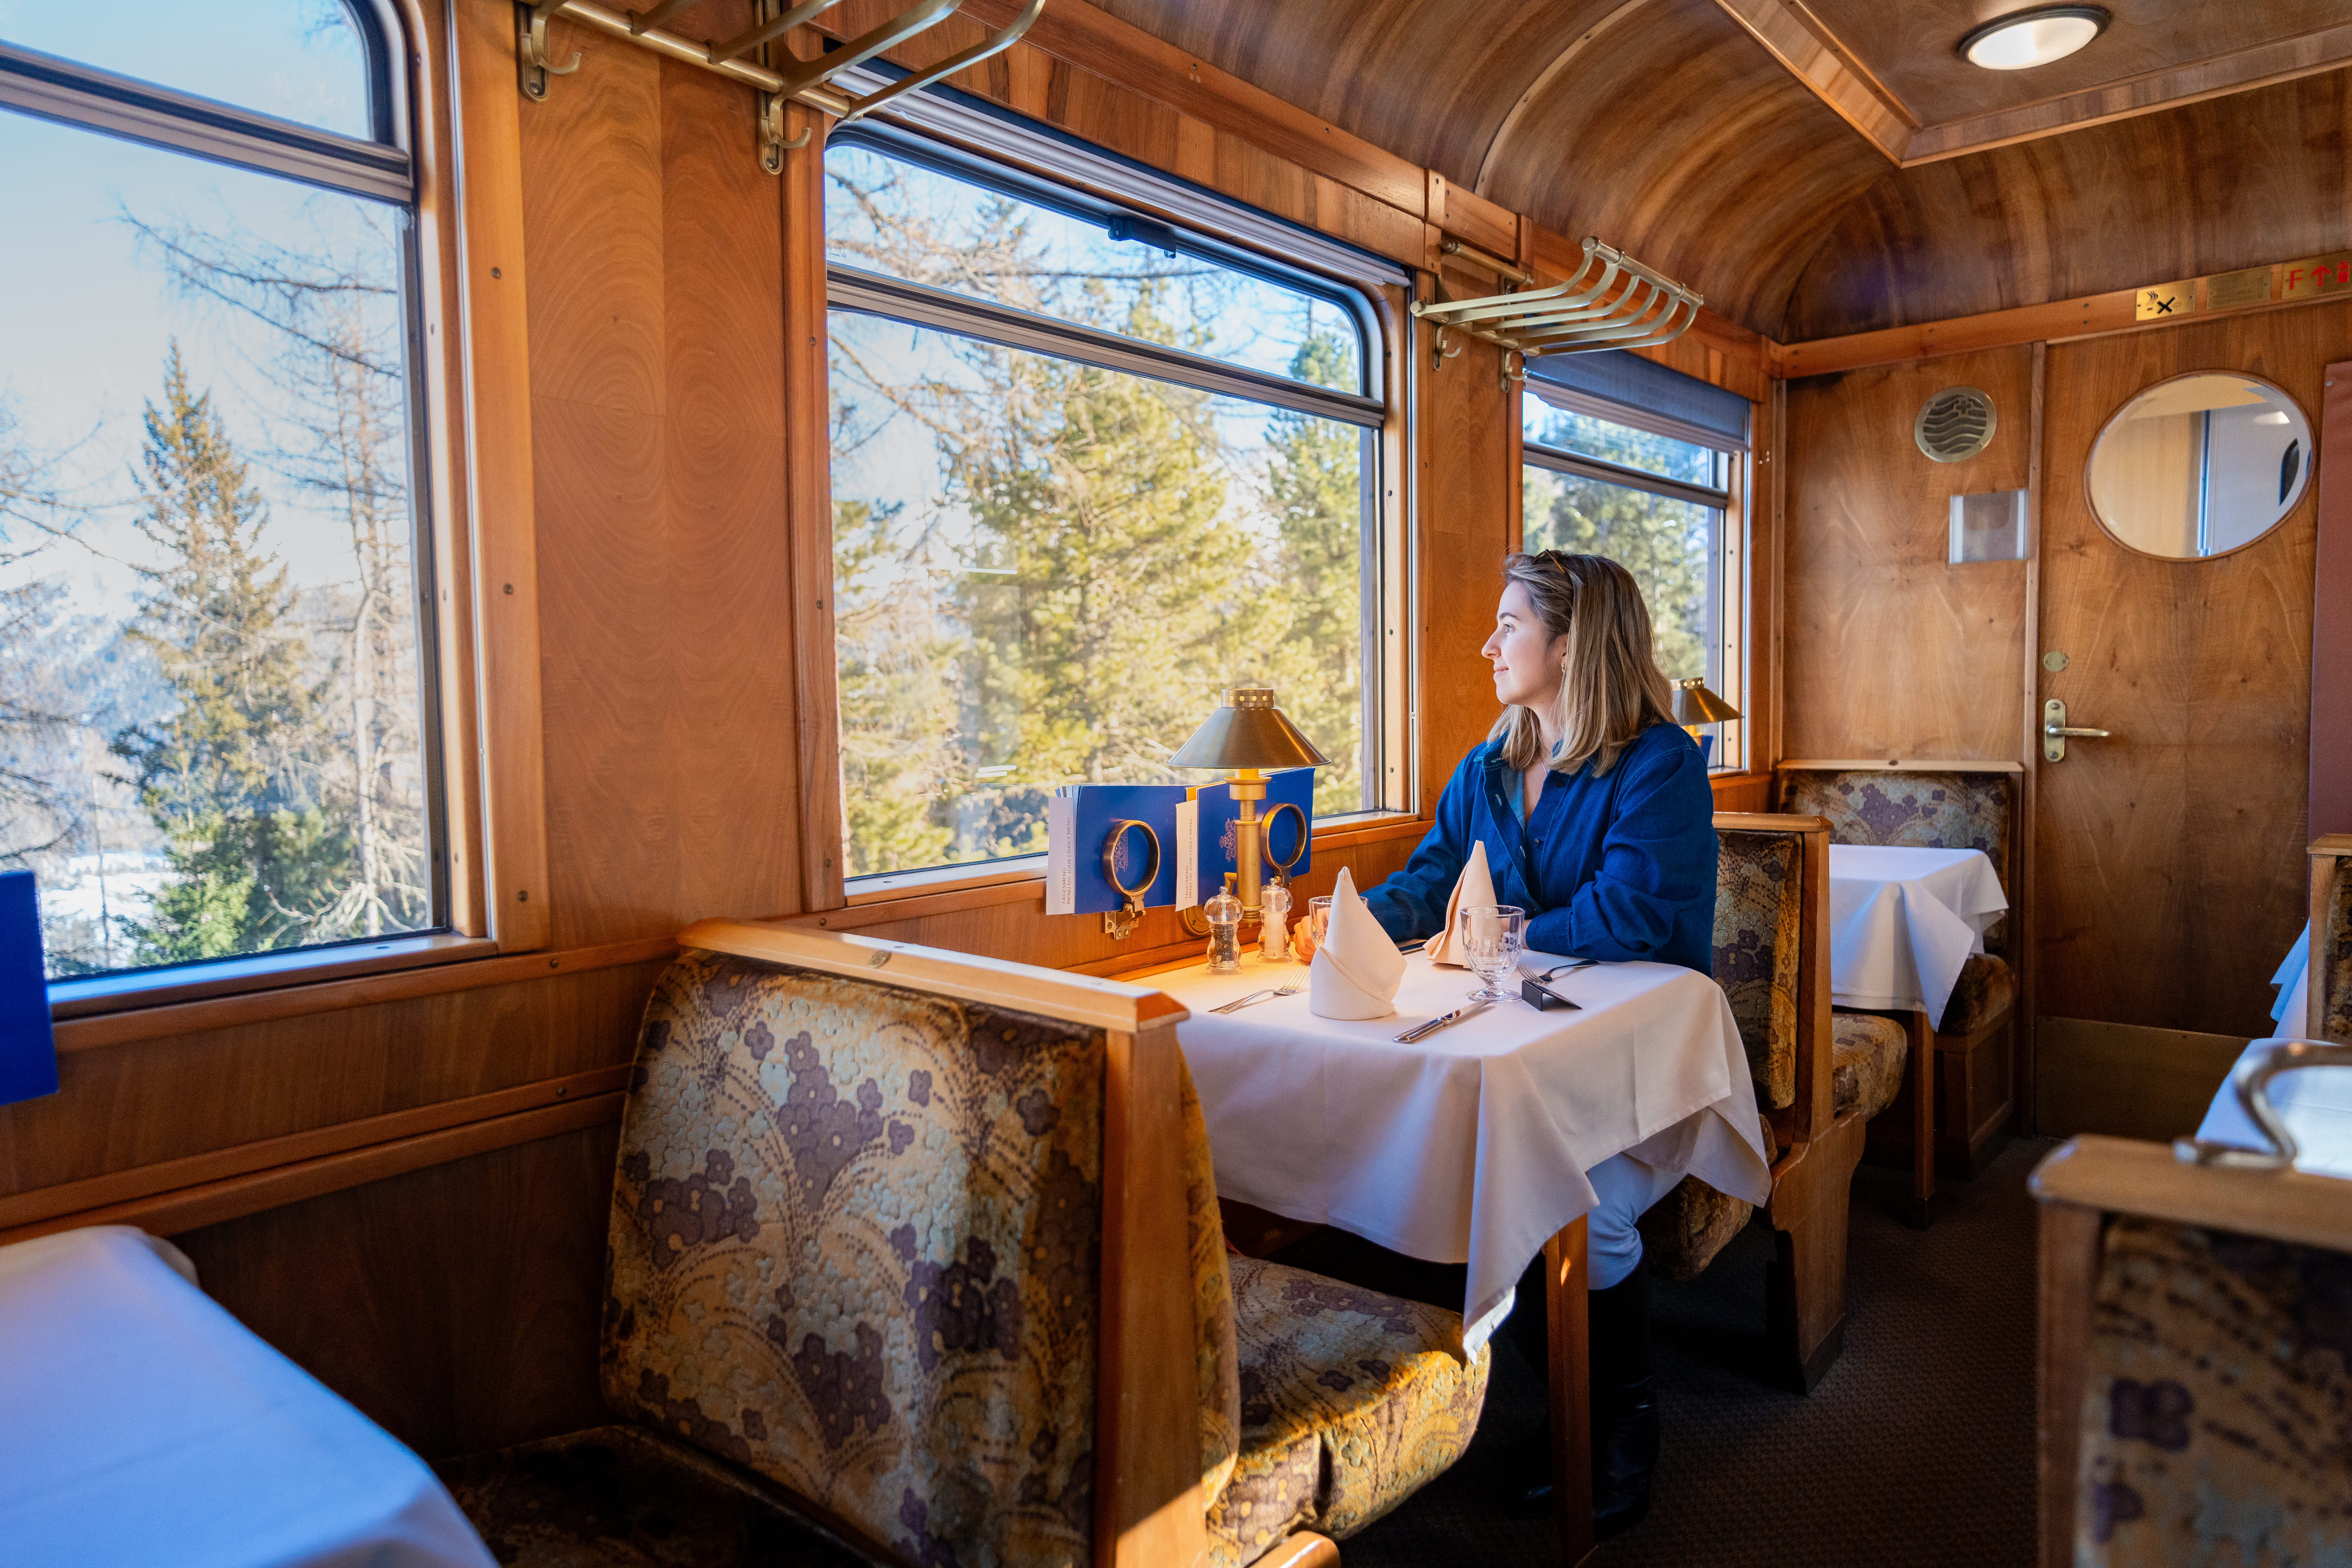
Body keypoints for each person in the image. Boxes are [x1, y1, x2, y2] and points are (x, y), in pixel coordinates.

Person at [1360, 548, 1715, 1539]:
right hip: (1527, 1054)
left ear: (1573, 643)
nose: (1489, 642)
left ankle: (1621, 1424)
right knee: (1453, 1159)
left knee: (1580, 1201)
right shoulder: (1489, 765)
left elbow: (1633, 912)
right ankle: (1560, 1400)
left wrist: (1492, 933)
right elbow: (1435, 882)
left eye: (1510, 623)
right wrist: (1350, 925)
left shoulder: (1660, 765)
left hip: (1642, 1071)